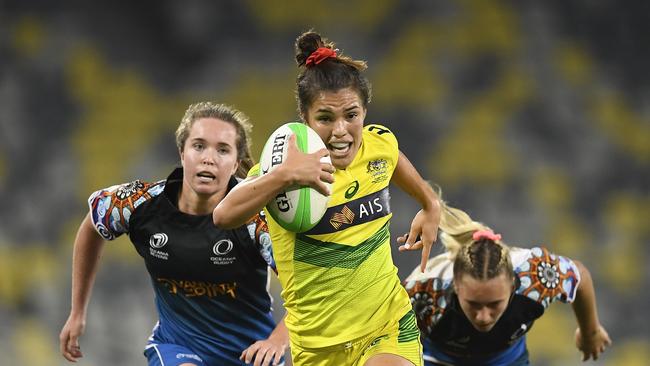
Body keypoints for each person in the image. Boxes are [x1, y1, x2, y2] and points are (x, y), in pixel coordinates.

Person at [212, 31, 441, 366]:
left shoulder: (377, 146)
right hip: (318, 348)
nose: (340, 130)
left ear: (364, 111)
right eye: (325, 118)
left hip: (386, 325)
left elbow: (392, 158)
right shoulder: (280, 169)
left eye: (351, 115)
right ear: (304, 118)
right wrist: (284, 176)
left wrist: (429, 203)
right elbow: (223, 215)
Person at [59, 102, 288, 366]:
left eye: (222, 150)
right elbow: (91, 227)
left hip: (251, 355)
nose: (208, 158)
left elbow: (307, 288)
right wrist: (77, 312)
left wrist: (277, 341)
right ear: (182, 152)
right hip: (178, 347)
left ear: (236, 162)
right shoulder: (138, 203)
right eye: (199, 146)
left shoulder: (258, 221)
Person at [402, 204, 612, 365]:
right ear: (457, 286)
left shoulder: (538, 277)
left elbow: (580, 276)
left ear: (513, 286)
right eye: (474, 304)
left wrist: (590, 332)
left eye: (494, 304)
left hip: (507, 360)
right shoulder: (423, 293)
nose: (483, 316)